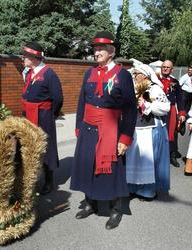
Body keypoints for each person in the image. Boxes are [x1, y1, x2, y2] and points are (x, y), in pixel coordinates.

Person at [70, 31, 137, 230]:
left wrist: (125, 138)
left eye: (100, 49)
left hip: (111, 129)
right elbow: (82, 100)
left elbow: (130, 109)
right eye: (95, 49)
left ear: (111, 51)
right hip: (88, 128)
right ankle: (90, 202)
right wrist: (78, 126)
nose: (96, 52)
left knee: (113, 171)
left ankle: (116, 208)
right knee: (88, 166)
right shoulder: (89, 72)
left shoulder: (122, 74)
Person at [21, 41, 63, 195]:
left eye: (25, 56)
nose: (23, 58)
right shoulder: (30, 73)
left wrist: (51, 115)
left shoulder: (49, 74)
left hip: (43, 117)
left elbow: (58, 98)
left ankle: (49, 181)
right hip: (28, 115)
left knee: (46, 148)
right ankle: (32, 178)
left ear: (34, 57)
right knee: (29, 146)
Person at [126, 64, 170, 201]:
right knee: (135, 158)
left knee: (148, 160)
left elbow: (165, 107)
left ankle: (147, 191)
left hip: (151, 128)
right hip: (136, 127)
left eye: (136, 73)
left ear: (144, 75)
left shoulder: (155, 89)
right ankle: (132, 187)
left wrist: (146, 105)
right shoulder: (134, 88)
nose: (134, 76)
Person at [158, 60, 186, 167]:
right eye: (163, 66)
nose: (165, 68)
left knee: (172, 132)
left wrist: (182, 113)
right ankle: (158, 154)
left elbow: (180, 98)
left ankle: (172, 155)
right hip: (158, 110)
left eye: (167, 67)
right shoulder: (155, 80)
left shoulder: (175, 82)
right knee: (158, 131)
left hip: (171, 109)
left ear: (171, 69)